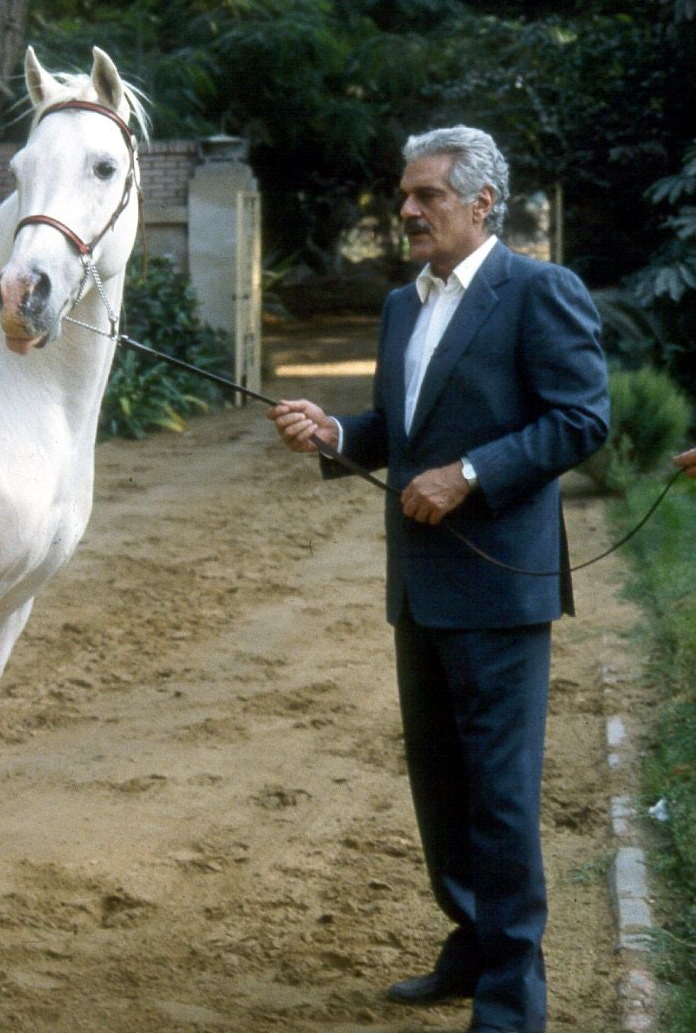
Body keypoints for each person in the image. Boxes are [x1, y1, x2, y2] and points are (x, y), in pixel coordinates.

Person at [267, 126, 609, 1033]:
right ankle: (468, 948)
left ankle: (511, 1000)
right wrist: (333, 433)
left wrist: (471, 474)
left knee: (499, 797)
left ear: (482, 203)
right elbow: (397, 428)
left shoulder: (538, 291)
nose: (407, 210)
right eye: (405, 194)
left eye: (427, 196)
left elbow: (581, 419)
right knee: (442, 792)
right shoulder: (400, 305)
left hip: (502, 591)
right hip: (418, 589)